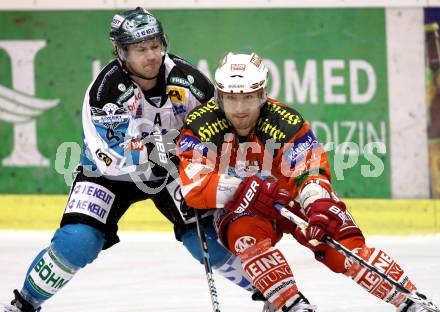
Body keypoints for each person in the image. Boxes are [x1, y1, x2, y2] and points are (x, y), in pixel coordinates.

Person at [3, 8, 260, 312]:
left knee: (204, 241)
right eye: (140, 49)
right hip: (109, 173)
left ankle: (272, 292)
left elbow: (217, 130)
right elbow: (118, 157)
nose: (151, 55)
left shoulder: (188, 80)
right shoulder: (107, 91)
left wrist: (205, 164)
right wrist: (171, 146)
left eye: (154, 45)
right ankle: (23, 305)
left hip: (172, 171)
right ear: (121, 52)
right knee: (78, 240)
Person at [177, 52, 439, 312]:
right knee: (245, 236)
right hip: (246, 206)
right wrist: (243, 187)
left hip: (290, 199)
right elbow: (193, 187)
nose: (240, 109)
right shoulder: (201, 124)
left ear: (263, 94)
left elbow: (309, 169)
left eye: (249, 97)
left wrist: (318, 205)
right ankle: (290, 305)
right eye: (231, 99)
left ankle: (411, 301)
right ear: (220, 97)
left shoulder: (286, 121)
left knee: (342, 246)